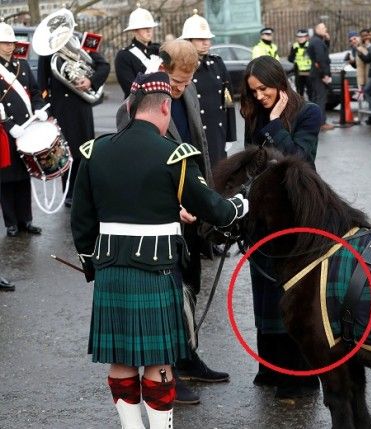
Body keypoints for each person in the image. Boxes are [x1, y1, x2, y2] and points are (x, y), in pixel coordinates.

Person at [71, 71, 248, 429]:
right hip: (157, 270)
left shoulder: (96, 151)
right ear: (166, 107)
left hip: (111, 271)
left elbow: (82, 224)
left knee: (121, 360)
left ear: (132, 107)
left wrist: (94, 266)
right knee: (158, 360)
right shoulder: (175, 155)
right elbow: (216, 209)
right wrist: (243, 204)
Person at [117, 39, 229, 405]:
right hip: (164, 215)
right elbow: (135, 169)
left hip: (193, 208)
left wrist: (206, 194)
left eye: (188, 81)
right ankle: (171, 371)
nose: (182, 89)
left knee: (191, 285)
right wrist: (171, 206)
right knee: (171, 294)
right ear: (162, 68)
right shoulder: (136, 103)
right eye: (178, 82)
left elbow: (200, 145)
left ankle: (188, 356)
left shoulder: (188, 91)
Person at [240, 55, 323, 399]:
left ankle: (299, 376)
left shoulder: (309, 112)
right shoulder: (253, 111)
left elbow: (300, 161)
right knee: (264, 288)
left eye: (263, 89)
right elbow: (251, 160)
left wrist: (275, 123)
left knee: (291, 290)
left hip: (295, 214)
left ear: (280, 83)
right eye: (253, 91)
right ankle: (271, 367)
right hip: (263, 211)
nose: (259, 96)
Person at [37, 9, 110, 208]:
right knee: (67, 152)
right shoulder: (48, 50)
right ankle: (68, 193)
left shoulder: (83, 44)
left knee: (85, 150)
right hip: (61, 107)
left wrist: (90, 80)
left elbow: (104, 66)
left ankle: (84, 190)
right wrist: (49, 113)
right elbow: (43, 83)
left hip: (81, 105)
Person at [0, 21, 46, 237]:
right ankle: (11, 222)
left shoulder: (23, 65)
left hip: (26, 128)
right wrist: (9, 125)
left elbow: (36, 92)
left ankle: (26, 220)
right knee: (7, 177)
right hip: (5, 131)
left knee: (24, 175)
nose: (10, 46)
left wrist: (39, 108)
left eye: (11, 42)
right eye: (5, 43)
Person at [181, 9, 236, 166]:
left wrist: (230, 134)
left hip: (217, 132)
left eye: (208, 38)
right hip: (194, 134)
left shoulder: (217, 63)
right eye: (200, 39)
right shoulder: (182, 66)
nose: (206, 42)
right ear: (188, 40)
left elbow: (228, 100)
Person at [115, 5, 160, 98]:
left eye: (150, 27)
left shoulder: (160, 50)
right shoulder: (124, 56)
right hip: (139, 106)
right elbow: (130, 89)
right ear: (135, 31)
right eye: (144, 28)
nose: (149, 31)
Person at [307, 22, 334, 130]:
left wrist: (327, 40)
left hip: (315, 73)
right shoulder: (317, 42)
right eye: (323, 28)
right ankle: (321, 123)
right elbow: (321, 59)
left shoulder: (316, 40)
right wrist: (325, 74)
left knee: (315, 98)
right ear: (317, 29)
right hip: (319, 74)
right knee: (321, 99)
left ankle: (314, 121)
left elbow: (323, 51)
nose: (326, 29)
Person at [287, 29, 311, 98]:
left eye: (302, 37)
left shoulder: (309, 46)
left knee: (310, 90)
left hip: (308, 71)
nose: (300, 39)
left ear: (306, 37)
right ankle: (301, 106)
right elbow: (290, 58)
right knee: (300, 91)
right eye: (299, 37)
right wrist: (293, 56)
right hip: (298, 71)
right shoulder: (295, 46)